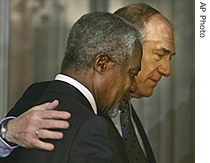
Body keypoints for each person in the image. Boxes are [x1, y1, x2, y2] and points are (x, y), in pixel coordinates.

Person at [0, 3, 176, 163]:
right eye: (160, 55)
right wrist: (7, 131)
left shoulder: (126, 110)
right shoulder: (47, 98)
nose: (167, 70)